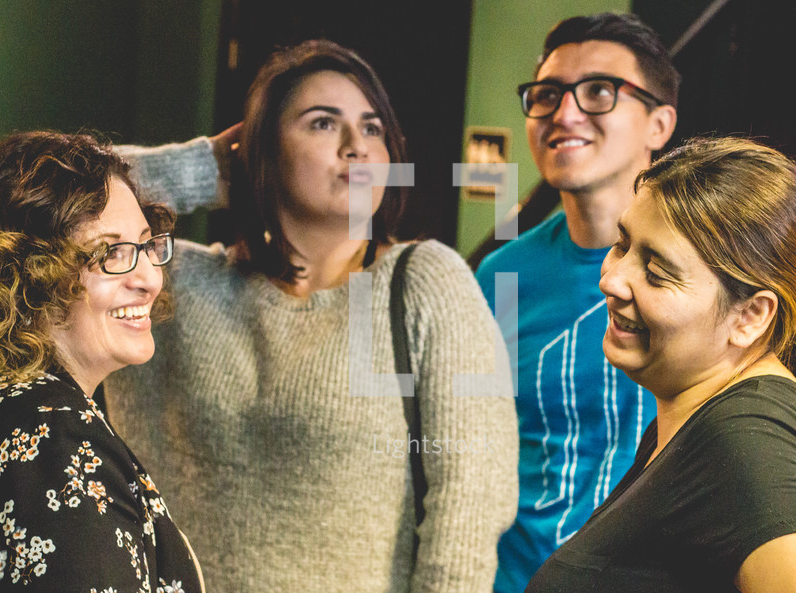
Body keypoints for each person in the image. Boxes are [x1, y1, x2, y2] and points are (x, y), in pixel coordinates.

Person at [473, 12, 796, 593]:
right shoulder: (502, 273)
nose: (564, 113)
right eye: (546, 94)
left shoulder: (750, 286)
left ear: (660, 123)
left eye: (598, 93)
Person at [104, 40, 519, 593]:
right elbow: (25, 208)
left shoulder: (425, 281)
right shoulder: (167, 283)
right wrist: (204, 168)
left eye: (373, 129)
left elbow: (471, 504)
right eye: (324, 124)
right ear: (259, 151)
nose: (358, 147)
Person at [526, 136, 796, 592]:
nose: (612, 280)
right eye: (622, 244)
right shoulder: (701, 419)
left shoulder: (746, 441)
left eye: (657, 272)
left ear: (750, 316)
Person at [0, 132, 203, 591]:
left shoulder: (16, 410)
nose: (149, 277)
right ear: (30, 275)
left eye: (146, 245)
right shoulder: (54, 436)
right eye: (112, 253)